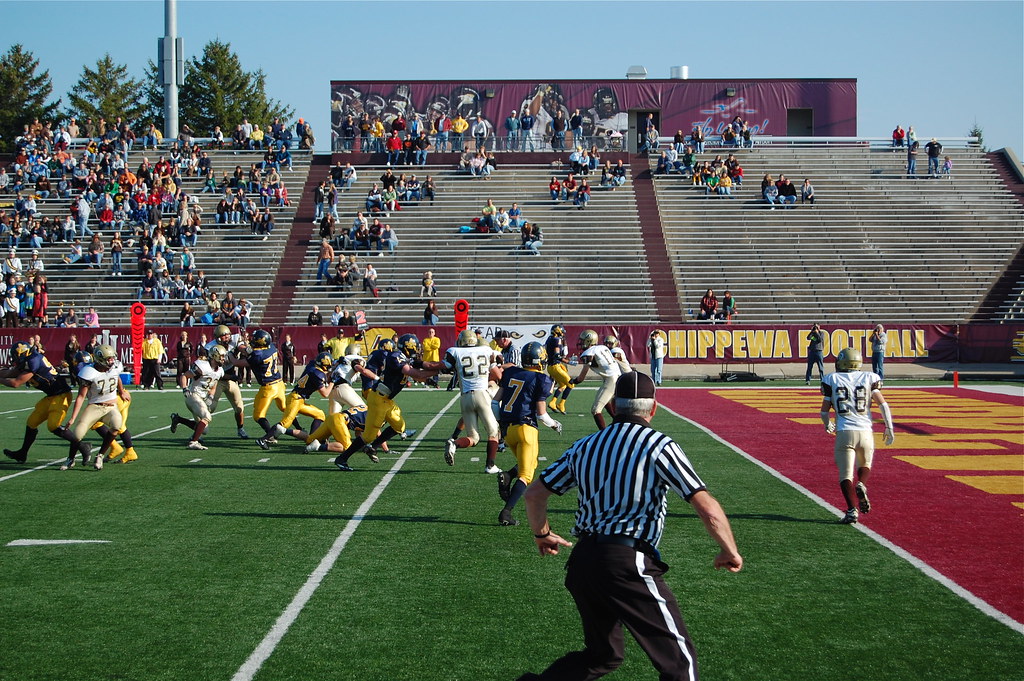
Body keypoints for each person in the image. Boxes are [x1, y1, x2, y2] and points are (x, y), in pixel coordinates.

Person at [519, 371, 742, 681]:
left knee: (603, 655)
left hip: (583, 562)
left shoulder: (586, 445)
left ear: (613, 406)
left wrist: (542, 534)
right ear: (653, 408)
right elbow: (707, 507)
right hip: (626, 560)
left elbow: (534, 494)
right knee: (680, 664)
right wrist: (729, 550)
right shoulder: (658, 445)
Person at [332, 335, 443, 470]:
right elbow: (417, 374)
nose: (417, 349)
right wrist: (438, 370)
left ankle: (373, 447)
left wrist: (430, 378)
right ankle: (342, 458)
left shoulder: (402, 357)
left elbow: (418, 370)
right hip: (378, 399)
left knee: (399, 425)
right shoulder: (395, 356)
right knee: (368, 436)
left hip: (386, 399)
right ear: (408, 347)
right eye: (415, 347)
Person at [820, 348, 896, 525]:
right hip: (865, 432)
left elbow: (824, 411)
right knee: (865, 465)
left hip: (844, 432)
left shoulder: (832, 379)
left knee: (845, 475)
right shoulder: (869, 377)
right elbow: (883, 405)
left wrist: (827, 424)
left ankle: (852, 510)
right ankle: (862, 483)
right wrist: (889, 427)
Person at [494, 341, 562, 527]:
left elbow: (494, 402)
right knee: (526, 475)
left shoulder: (511, 372)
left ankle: (508, 475)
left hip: (509, 431)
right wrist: (554, 424)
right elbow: (541, 414)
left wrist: (501, 422)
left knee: (532, 463)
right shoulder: (541, 379)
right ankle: (506, 512)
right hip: (526, 429)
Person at [0, 341, 94, 464]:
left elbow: (16, 383)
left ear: (23, 354)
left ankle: (83, 446)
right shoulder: (29, 359)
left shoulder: (33, 361)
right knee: (32, 422)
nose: (15, 359)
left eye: (16, 356)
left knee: (53, 426)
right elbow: (10, 373)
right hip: (51, 395)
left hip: (61, 395)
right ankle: (22, 453)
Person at [65, 345, 138, 470]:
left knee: (117, 424)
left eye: (112, 358)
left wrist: (121, 391)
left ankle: (100, 455)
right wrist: (72, 418)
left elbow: (117, 377)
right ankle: (70, 459)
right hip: (95, 406)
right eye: (109, 359)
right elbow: (81, 396)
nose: (112, 361)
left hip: (111, 407)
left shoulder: (113, 368)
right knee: (77, 434)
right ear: (100, 359)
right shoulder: (89, 372)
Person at [442, 329, 504, 473]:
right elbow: (498, 367)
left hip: (465, 397)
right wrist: (498, 363)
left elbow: (442, 367)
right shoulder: (485, 350)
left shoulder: (457, 352)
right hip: (482, 394)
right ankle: (490, 465)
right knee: (493, 432)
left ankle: (455, 444)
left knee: (473, 438)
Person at [170, 344, 228, 450]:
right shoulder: (202, 367)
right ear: (215, 355)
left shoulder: (220, 371)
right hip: (193, 396)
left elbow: (214, 385)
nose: (224, 359)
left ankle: (178, 419)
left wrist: (211, 397)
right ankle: (193, 442)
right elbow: (184, 376)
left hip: (202, 399)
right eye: (222, 356)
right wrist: (185, 389)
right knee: (207, 417)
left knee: (204, 430)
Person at [204, 324, 249, 438]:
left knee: (239, 407)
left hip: (230, 378)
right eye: (224, 336)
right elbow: (211, 370)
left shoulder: (235, 339)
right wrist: (230, 376)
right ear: (218, 338)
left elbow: (241, 347)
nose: (227, 337)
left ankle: (240, 429)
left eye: (228, 335)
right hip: (217, 380)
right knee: (209, 408)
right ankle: (198, 432)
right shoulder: (210, 347)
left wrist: (246, 349)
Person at [572, 330, 622, 430]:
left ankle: (604, 434)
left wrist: (574, 381)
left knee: (595, 410)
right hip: (618, 377)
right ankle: (619, 422)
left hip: (611, 380)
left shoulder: (588, 353)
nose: (581, 343)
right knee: (605, 401)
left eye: (583, 340)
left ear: (588, 341)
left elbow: (581, 377)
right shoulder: (603, 347)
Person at [544, 324, 573, 414]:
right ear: (558, 331)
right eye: (562, 332)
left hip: (551, 366)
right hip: (555, 366)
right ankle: (561, 404)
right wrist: (568, 362)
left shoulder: (550, 338)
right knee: (571, 384)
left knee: (563, 385)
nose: (563, 334)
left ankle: (553, 402)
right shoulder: (557, 340)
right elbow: (557, 355)